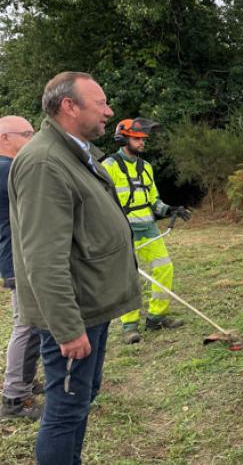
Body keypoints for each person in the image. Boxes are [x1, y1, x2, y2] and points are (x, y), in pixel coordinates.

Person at [9, 71, 141, 465]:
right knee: (65, 410)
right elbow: (42, 256)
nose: (109, 111)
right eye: (100, 103)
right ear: (69, 106)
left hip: (90, 303)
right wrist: (67, 328)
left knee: (82, 397)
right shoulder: (45, 163)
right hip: (74, 314)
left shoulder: (74, 152)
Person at [102, 118, 190, 344]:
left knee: (164, 267)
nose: (142, 143)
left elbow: (154, 200)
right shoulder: (109, 166)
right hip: (123, 230)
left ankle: (156, 317)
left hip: (148, 227)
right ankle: (129, 325)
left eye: (143, 139)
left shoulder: (146, 167)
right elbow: (101, 201)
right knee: (128, 276)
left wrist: (170, 209)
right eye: (137, 138)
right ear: (123, 138)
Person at [0, 116, 42, 420]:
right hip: (19, 260)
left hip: (20, 257)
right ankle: (14, 397)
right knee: (26, 325)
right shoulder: (7, 169)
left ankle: (24, 382)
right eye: (27, 133)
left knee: (34, 324)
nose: (34, 137)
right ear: (5, 138)